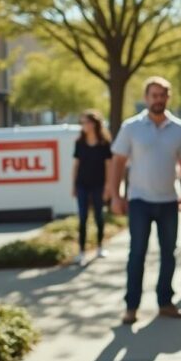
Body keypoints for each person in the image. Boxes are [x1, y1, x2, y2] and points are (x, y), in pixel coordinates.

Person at [109, 77, 181, 325]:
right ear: (146, 98)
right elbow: (118, 162)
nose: (158, 99)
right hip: (139, 201)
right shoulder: (131, 127)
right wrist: (115, 195)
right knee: (137, 253)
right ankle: (131, 306)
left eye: (162, 95)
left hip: (168, 200)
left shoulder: (179, 128)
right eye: (154, 95)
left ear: (168, 97)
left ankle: (165, 302)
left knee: (169, 253)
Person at [71, 109, 113, 265]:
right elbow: (76, 165)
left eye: (87, 122)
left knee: (98, 216)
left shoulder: (104, 143)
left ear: (95, 124)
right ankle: (81, 252)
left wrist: (108, 186)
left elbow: (109, 166)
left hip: (99, 185)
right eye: (82, 123)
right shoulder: (79, 143)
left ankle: (100, 247)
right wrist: (73, 185)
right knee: (82, 218)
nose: (84, 125)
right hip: (82, 184)